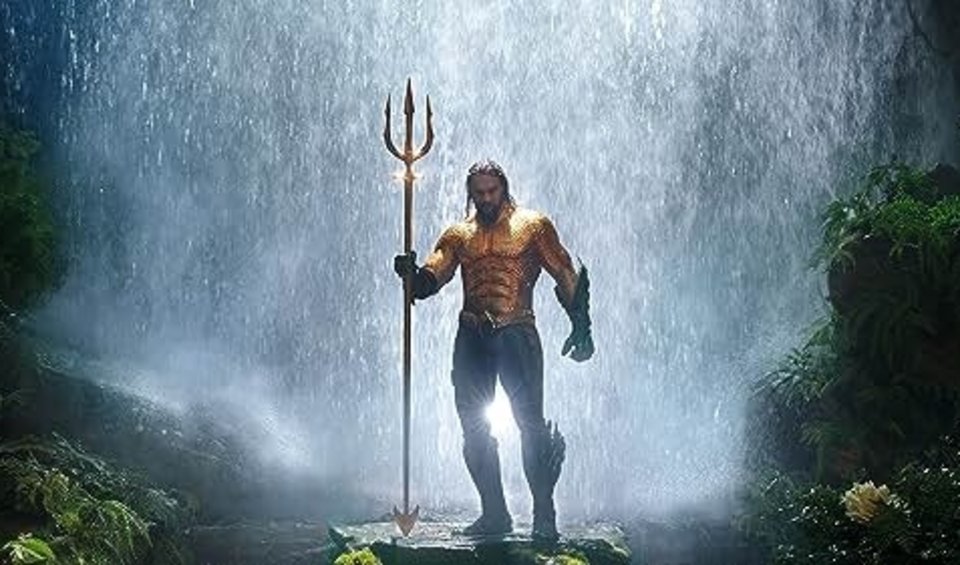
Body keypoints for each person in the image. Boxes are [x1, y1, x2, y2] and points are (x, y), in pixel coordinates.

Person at [393, 159, 594, 540]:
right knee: (473, 428)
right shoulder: (458, 235)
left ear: (504, 187)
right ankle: (495, 513)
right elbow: (433, 276)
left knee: (531, 426)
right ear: (470, 194)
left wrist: (581, 327)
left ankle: (544, 514)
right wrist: (411, 274)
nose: (486, 199)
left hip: (517, 334)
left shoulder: (532, 226)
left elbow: (564, 271)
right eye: (479, 193)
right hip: (471, 337)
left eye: (492, 191)